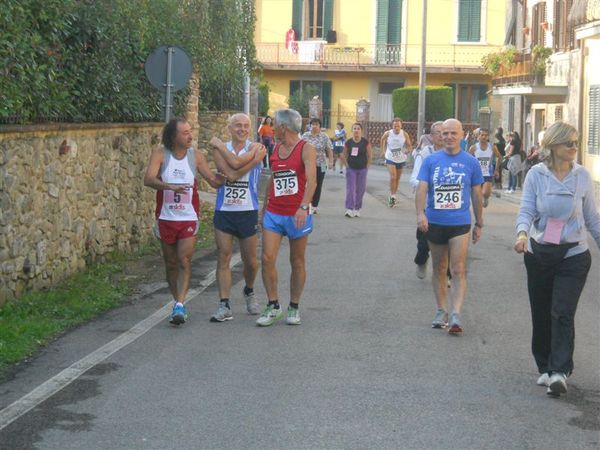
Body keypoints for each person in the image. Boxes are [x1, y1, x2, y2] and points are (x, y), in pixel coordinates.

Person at [513, 121, 600, 396]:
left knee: (562, 311)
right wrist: (522, 234)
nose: (574, 147)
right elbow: (526, 209)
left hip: (574, 255)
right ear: (553, 146)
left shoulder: (582, 176)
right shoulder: (536, 175)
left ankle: (560, 370)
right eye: (569, 143)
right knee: (541, 312)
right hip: (540, 252)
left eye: (576, 142)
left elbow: (592, 219)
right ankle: (546, 367)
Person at [143, 118, 225, 325]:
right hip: (166, 217)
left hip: (188, 217)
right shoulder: (161, 155)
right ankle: (176, 300)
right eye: (185, 133)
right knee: (170, 263)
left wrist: (222, 178)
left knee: (184, 260)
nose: (190, 136)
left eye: (190, 132)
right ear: (173, 136)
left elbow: (213, 181)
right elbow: (149, 179)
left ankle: (180, 304)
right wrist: (170, 187)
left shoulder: (195, 157)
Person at [415, 118, 484, 333]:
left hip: (460, 223)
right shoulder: (431, 161)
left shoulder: (471, 162)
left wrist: (479, 223)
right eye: (445, 133)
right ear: (439, 136)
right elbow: (422, 189)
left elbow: (476, 194)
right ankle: (440, 310)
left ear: (462, 135)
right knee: (439, 268)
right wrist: (420, 214)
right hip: (435, 221)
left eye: (453, 133)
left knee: (458, 268)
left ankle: (455, 314)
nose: (449, 137)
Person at [258, 108, 317, 327]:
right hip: (274, 213)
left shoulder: (306, 148)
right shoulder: (275, 148)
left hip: (297, 214)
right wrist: (265, 206)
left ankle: (294, 306)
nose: (272, 129)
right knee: (267, 258)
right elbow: (274, 179)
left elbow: (312, 181)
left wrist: (304, 206)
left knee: (297, 260)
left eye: (275, 125)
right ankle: (273, 305)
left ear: (284, 127)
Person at [208, 113, 267, 322]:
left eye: (246, 126)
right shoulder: (220, 149)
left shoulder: (256, 148)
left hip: (247, 210)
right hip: (224, 210)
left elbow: (234, 164)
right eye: (237, 126)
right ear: (229, 128)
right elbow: (230, 174)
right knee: (223, 256)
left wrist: (222, 149)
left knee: (250, 261)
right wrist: (251, 162)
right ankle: (224, 304)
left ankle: (249, 290)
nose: (242, 129)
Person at [410, 121, 444, 279]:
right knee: (424, 243)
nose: (442, 136)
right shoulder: (425, 153)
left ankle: (448, 274)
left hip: (448, 206)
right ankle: (421, 261)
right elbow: (415, 178)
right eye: (438, 132)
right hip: (429, 205)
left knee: (449, 241)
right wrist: (426, 186)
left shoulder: (454, 153)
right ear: (431, 136)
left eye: (445, 132)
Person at [301, 118, 333, 214]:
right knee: (305, 184)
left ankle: (314, 206)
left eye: (316, 124)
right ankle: (306, 203)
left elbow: (329, 149)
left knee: (318, 184)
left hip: (321, 164)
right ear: (310, 126)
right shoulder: (305, 135)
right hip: (307, 164)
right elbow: (300, 148)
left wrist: (331, 161)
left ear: (320, 126)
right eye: (312, 124)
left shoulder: (324, 136)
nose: (314, 126)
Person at [380, 118, 412, 207]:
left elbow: (409, 146)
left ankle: (394, 195)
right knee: (393, 176)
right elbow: (382, 140)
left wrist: (407, 150)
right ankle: (392, 196)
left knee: (397, 178)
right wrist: (383, 150)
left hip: (401, 158)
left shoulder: (404, 134)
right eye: (395, 126)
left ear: (401, 126)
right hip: (390, 156)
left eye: (398, 126)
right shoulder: (388, 133)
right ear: (392, 126)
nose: (396, 128)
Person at [343, 122, 373, 218]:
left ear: (361, 131)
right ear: (352, 130)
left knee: (361, 189)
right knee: (351, 189)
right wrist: (347, 166)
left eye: (358, 129)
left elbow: (370, 155)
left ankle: (357, 208)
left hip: (362, 169)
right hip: (351, 168)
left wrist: (367, 167)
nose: (356, 130)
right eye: (354, 128)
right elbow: (344, 155)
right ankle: (349, 209)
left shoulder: (365, 142)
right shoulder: (348, 142)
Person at [468, 128, 502, 207]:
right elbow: (467, 160)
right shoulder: (473, 147)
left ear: (488, 137)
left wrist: (496, 169)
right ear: (478, 136)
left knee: (485, 193)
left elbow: (499, 157)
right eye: (482, 135)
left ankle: (486, 197)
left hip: (488, 173)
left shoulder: (492, 147)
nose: (484, 137)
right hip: (477, 174)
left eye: (486, 135)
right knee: (477, 194)